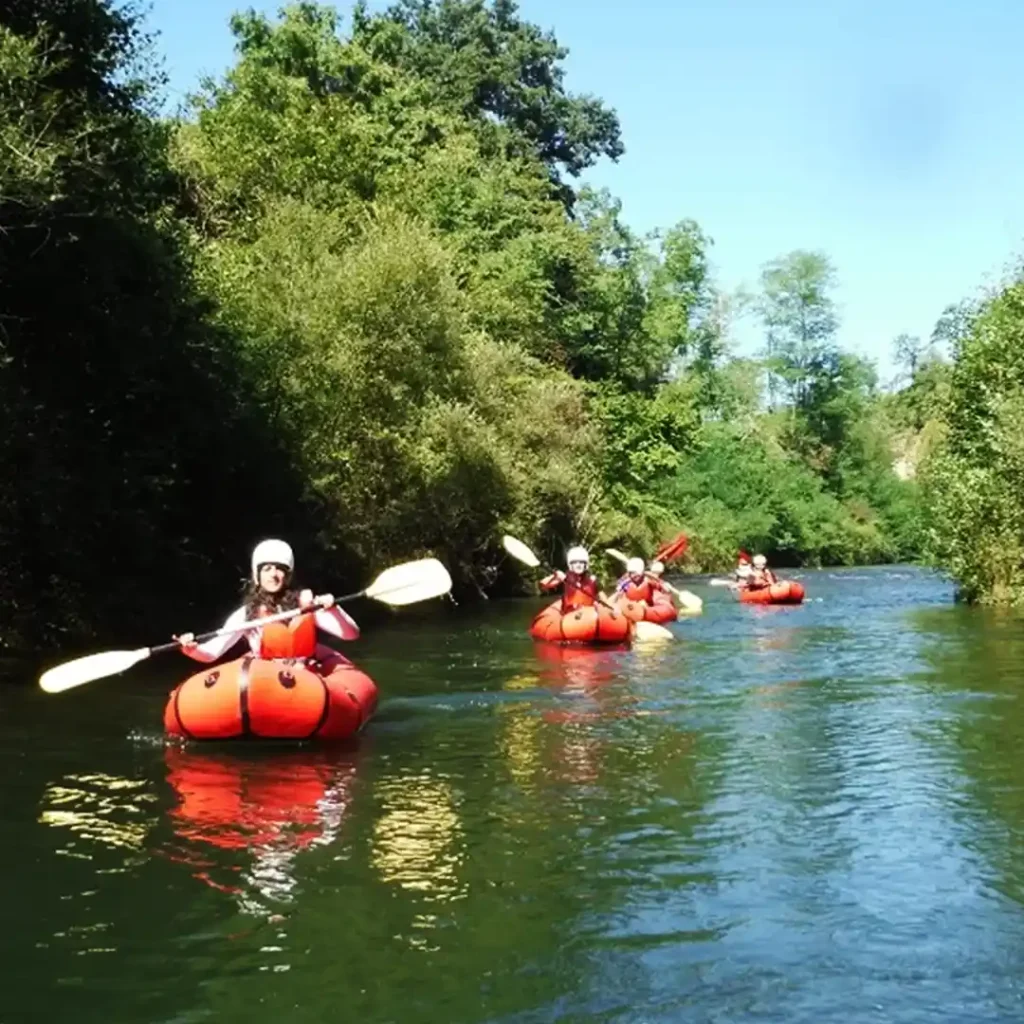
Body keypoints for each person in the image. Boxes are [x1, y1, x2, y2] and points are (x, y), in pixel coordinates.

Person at [174, 539, 360, 663]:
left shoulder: (307, 604)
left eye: (280, 569)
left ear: (288, 576)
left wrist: (334, 609)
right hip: (267, 681)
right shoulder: (247, 614)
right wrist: (192, 649)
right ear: (257, 576)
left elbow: (351, 635)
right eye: (267, 569)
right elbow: (212, 653)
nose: (273, 574)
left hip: (307, 676)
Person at [539, 546, 615, 612]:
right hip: (569, 617)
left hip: (588, 616)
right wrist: (554, 577)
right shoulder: (564, 578)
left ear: (586, 564)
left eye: (581, 562)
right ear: (570, 565)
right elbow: (543, 585)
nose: (578, 565)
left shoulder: (593, 580)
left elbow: (604, 599)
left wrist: (612, 608)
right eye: (575, 562)